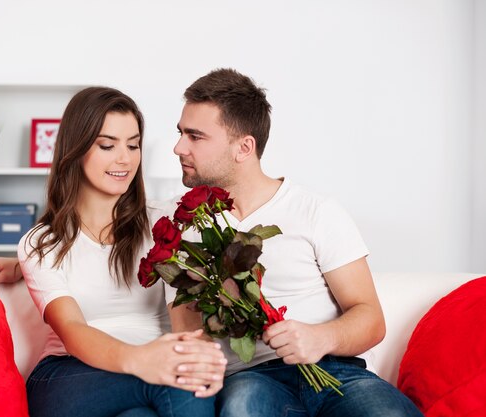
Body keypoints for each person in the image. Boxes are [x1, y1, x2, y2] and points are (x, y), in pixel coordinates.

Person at [166, 68, 423, 416]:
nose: (178, 147)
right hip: (252, 378)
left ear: (244, 147)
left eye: (195, 136)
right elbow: (190, 336)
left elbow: (370, 318)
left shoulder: (315, 211)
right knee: (242, 407)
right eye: (181, 133)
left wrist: (321, 338)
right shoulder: (188, 230)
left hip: (339, 372)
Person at [0, 86, 226, 417]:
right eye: (107, 145)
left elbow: (186, 314)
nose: (124, 158)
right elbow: (72, 329)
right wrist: (142, 361)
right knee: (177, 378)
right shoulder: (42, 242)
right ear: (76, 150)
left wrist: (164, 358)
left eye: (133, 145)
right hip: (70, 376)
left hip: (156, 365)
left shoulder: (166, 223)